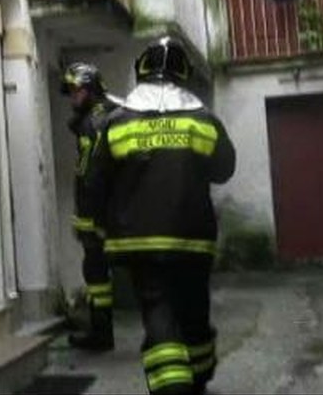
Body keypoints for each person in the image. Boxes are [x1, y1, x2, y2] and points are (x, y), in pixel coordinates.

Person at [83, 36, 236, 395]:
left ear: (141, 70)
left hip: (139, 241)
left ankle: (172, 387)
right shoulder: (203, 120)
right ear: (183, 73)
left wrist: (99, 228)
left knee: (158, 309)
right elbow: (224, 169)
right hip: (192, 239)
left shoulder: (116, 123)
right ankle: (198, 378)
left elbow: (95, 182)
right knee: (195, 308)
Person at [60, 62, 120, 352]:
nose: (73, 97)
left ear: (91, 89)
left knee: (96, 272)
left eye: (77, 90)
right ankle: (102, 331)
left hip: (102, 216)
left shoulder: (93, 124)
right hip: (118, 211)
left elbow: (90, 175)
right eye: (71, 91)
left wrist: (89, 220)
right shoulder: (110, 113)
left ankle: (101, 333)